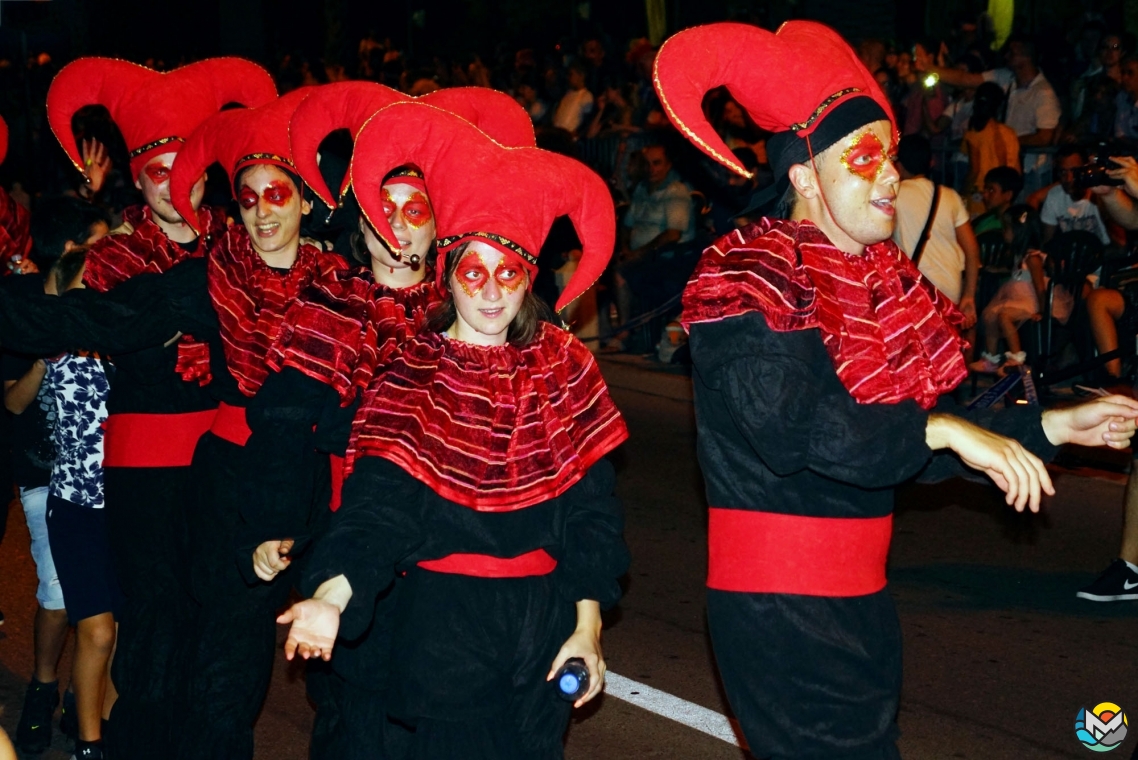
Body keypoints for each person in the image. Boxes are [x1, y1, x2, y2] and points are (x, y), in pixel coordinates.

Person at [653, 20, 1138, 759]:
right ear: (805, 176)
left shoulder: (879, 283)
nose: (890, 177)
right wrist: (937, 432)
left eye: (895, 157)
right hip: (780, 607)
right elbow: (795, 434)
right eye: (865, 158)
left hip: (860, 604)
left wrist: (1058, 427)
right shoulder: (751, 276)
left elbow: (921, 435)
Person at [279, 101, 629, 759]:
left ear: (529, 279)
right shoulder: (416, 369)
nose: (491, 293)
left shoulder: (564, 367)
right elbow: (377, 509)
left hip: (543, 631)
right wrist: (330, 596)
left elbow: (592, 517)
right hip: (445, 632)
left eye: (509, 273)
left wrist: (588, 630)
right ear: (449, 277)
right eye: (473, 272)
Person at [252, 81, 536, 760]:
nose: (401, 225)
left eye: (418, 210)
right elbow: (284, 430)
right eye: (388, 209)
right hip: (349, 531)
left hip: (445, 554)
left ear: (443, 226)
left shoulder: (471, 313)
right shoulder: (328, 304)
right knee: (352, 714)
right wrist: (277, 524)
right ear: (362, 222)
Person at [41, 56, 278, 759]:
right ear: (135, 177)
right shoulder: (114, 258)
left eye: (187, 169)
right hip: (144, 472)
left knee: (216, 628)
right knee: (154, 625)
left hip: (221, 463)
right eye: (156, 171)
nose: (173, 187)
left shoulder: (240, 246)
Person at [5, 196, 110, 755]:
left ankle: (81, 704)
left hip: (108, 482)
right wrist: (48, 353)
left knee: (103, 612)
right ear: (71, 252)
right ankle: (43, 686)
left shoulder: (112, 303)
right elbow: (14, 404)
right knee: (56, 592)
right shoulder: (21, 305)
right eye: (99, 243)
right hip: (46, 475)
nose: (113, 252)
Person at [41, 248, 120, 760]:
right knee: (96, 630)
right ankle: (87, 748)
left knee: (121, 634)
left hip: (128, 503)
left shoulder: (128, 343)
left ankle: (101, 728)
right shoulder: (56, 345)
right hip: (74, 504)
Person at [916, 35, 1061, 193]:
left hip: (1032, 171)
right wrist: (928, 67)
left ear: (1025, 57)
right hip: (1004, 169)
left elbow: (1045, 137)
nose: (1006, 56)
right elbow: (965, 79)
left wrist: (1005, 140)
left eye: (1012, 53)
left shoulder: (1043, 93)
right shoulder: (1006, 78)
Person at [970, 205, 1071, 373]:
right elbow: (1017, 273)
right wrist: (997, 269)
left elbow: (1039, 286)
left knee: (1004, 316)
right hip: (1018, 299)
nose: (1004, 232)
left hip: (1032, 302)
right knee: (990, 315)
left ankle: (1017, 359)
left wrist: (1043, 310)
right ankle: (991, 358)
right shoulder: (1020, 255)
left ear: (1019, 231)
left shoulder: (1033, 258)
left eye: (1007, 229)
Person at [892, 134, 980, 327]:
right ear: (931, 162)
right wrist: (969, 295)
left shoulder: (892, 196)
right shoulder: (949, 196)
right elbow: (972, 250)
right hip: (950, 289)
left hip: (916, 290)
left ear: (898, 164)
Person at [960, 82, 1020, 215]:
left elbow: (974, 170)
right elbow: (1017, 170)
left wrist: (962, 192)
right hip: (1003, 194)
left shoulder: (974, 132)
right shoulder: (1010, 133)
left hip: (982, 192)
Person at [1041, 144, 1111, 245]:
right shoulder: (1054, 196)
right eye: (1063, 172)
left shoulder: (1102, 193)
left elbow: (1120, 244)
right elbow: (1047, 243)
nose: (1069, 179)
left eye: (1075, 171)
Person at [973, 166, 1023, 235]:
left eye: (991, 190)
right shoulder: (981, 221)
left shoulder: (1016, 228)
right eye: (985, 189)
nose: (985, 195)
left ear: (1008, 195)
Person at [551, 63, 594, 136]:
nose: (569, 78)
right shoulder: (567, 94)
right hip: (557, 135)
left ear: (581, 76)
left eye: (571, 74)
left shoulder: (586, 96)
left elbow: (587, 120)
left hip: (570, 138)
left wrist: (577, 132)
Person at [1113, 54, 1138, 139]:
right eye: (1123, 73)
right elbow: (1120, 134)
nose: (1124, 77)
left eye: (1130, 73)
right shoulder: (1122, 98)